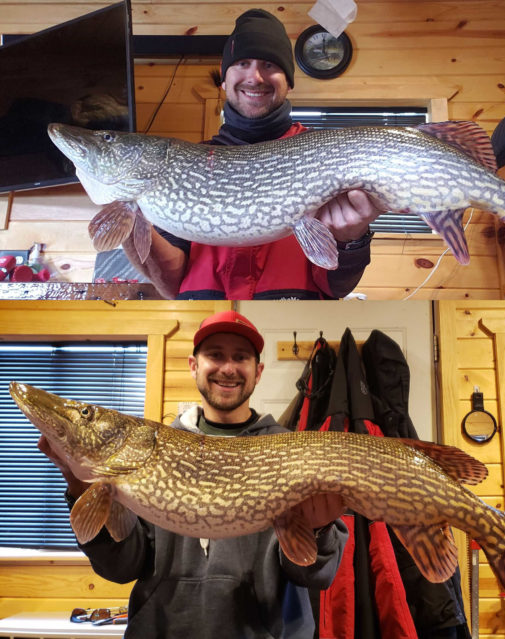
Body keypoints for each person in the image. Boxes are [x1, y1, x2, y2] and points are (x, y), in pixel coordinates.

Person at [38, 310, 348, 639]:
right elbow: (122, 566)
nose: (228, 368)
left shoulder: (292, 450)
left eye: (240, 357)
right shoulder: (148, 453)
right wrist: (78, 484)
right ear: (193, 366)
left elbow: (317, 574)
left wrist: (317, 530)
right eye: (215, 355)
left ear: (257, 372)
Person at [123, 8, 385, 300]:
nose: (255, 76)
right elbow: (172, 284)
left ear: (288, 81)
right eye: (242, 63)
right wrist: (128, 221)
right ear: (224, 79)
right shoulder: (189, 165)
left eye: (270, 64)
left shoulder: (324, 152)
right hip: (208, 323)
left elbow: (336, 287)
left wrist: (351, 241)